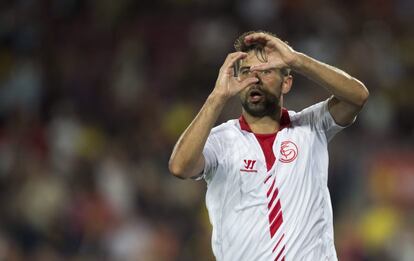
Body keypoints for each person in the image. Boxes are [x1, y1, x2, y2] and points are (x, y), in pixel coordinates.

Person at [169, 31, 369, 261]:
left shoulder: (312, 126)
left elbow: (358, 96)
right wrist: (217, 96)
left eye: (266, 71)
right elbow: (180, 167)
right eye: (246, 73)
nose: (255, 80)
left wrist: (297, 60)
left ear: (286, 83)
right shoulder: (220, 141)